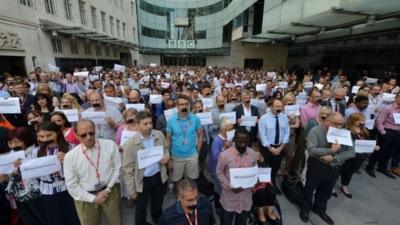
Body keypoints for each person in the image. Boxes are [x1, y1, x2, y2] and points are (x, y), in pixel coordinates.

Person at [300, 112, 355, 225]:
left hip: (335, 167)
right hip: (317, 165)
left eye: (341, 124)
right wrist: (331, 150)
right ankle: (305, 209)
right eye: (336, 124)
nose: (339, 127)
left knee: (326, 190)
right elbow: (312, 150)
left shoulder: (344, 133)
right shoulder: (316, 131)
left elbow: (351, 152)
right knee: (309, 188)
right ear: (326, 121)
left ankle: (320, 209)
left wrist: (334, 158)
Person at [63, 119, 122, 225]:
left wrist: (108, 189)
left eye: (91, 133)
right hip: (85, 196)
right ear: (76, 135)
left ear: (95, 131)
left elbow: (117, 168)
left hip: (110, 191)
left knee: (116, 222)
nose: (88, 137)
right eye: (83, 135)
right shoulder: (70, 156)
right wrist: (93, 199)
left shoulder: (110, 145)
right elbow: (72, 186)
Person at [122, 111, 170, 225]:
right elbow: (128, 169)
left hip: (158, 177)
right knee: (141, 208)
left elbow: (166, 149)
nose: (149, 126)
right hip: (142, 180)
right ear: (137, 125)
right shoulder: (130, 144)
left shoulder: (159, 135)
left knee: (158, 203)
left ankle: (158, 220)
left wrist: (166, 156)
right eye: (145, 124)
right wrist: (131, 190)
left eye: (150, 123)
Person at [30, 121, 81, 225]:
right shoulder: (35, 152)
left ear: (57, 133)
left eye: (49, 135)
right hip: (48, 192)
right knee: (55, 219)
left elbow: (81, 168)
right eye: (41, 136)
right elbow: (31, 173)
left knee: (73, 218)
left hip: (68, 189)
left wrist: (67, 160)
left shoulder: (71, 147)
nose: (45, 139)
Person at [216, 127, 258, 225]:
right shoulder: (224, 155)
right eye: (240, 142)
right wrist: (229, 186)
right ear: (234, 140)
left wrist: (255, 180)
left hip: (245, 198)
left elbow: (255, 171)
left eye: (246, 142)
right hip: (229, 198)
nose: (243, 145)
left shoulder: (253, 154)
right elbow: (219, 172)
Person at [5, 127, 43, 225]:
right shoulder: (9, 157)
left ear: (27, 140)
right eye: (10, 143)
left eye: (17, 142)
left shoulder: (38, 152)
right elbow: (8, 178)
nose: (13, 146)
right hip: (20, 197)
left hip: (39, 196)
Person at [340, 113, 380, 198]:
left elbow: (367, 141)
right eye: (360, 121)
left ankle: (344, 186)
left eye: (363, 121)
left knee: (350, 172)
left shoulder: (363, 130)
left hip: (359, 156)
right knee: (341, 171)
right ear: (353, 121)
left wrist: (374, 146)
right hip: (348, 156)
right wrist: (354, 132)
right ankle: (331, 187)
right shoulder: (346, 130)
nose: (362, 123)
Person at [166, 95, 203, 187]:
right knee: (176, 180)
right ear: (177, 106)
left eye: (186, 104)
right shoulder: (171, 120)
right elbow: (168, 139)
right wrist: (169, 156)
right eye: (181, 104)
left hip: (192, 155)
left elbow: (201, 135)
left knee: (192, 180)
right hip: (176, 156)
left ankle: (191, 197)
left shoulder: (195, 119)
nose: (184, 106)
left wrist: (197, 151)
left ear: (189, 105)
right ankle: (179, 198)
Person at [258, 98, 290, 193]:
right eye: (277, 106)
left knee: (275, 167)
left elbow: (286, 132)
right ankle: (264, 186)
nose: (279, 108)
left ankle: (273, 184)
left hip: (279, 147)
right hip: (267, 148)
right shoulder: (264, 119)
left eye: (281, 106)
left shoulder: (284, 117)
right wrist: (270, 148)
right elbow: (262, 135)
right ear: (271, 107)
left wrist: (281, 147)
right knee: (265, 167)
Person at [366, 92, 400, 178]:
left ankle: (382, 167)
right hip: (387, 131)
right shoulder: (388, 108)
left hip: (398, 133)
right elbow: (379, 121)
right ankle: (370, 167)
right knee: (379, 150)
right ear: (396, 98)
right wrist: (383, 133)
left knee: (390, 152)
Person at [209, 118, 234, 209]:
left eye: (232, 128)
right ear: (223, 129)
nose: (232, 131)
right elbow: (216, 157)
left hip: (227, 169)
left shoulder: (230, 138)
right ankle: (218, 207)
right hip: (217, 170)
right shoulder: (217, 141)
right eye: (229, 129)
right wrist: (225, 147)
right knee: (218, 189)